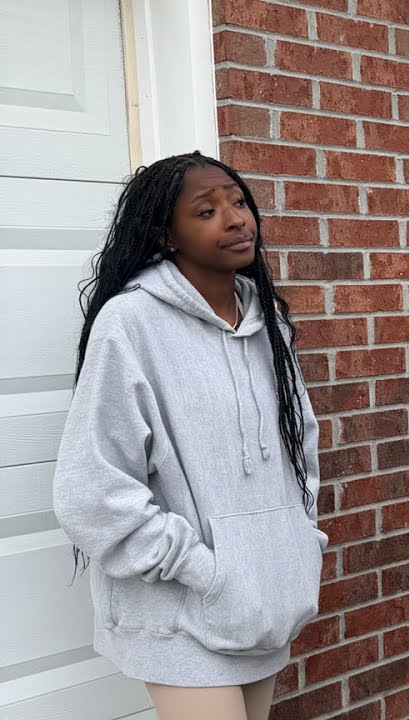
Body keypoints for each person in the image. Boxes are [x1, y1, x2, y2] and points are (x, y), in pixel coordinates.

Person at [53, 152, 324, 720]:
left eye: (238, 201)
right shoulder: (130, 324)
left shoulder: (266, 322)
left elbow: (301, 444)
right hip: (178, 611)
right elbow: (91, 490)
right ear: (165, 234)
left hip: (261, 601)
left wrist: (297, 542)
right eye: (207, 210)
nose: (235, 219)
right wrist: (207, 570)